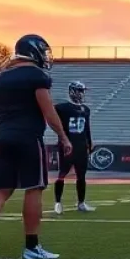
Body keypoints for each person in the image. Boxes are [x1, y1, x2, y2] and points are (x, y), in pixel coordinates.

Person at [0, 35, 70, 259]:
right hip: (28, 137)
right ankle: (32, 247)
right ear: (34, 51)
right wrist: (63, 136)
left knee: (1, 189)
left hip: (3, 136)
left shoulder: (0, 79)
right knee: (34, 188)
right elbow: (48, 112)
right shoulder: (37, 76)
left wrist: (1, 134)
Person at [54, 81, 94, 214]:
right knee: (62, 174)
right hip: (67, 145)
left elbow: (87, 128)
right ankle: (58, 202)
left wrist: (89, 141)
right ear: (72, 91)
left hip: (81, 146)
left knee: (81, 175)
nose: (82, 94)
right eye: (79, 91)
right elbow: (51, 118)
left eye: (82, 91)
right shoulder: (62, 107)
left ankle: (81, 203)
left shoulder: (85, 109)